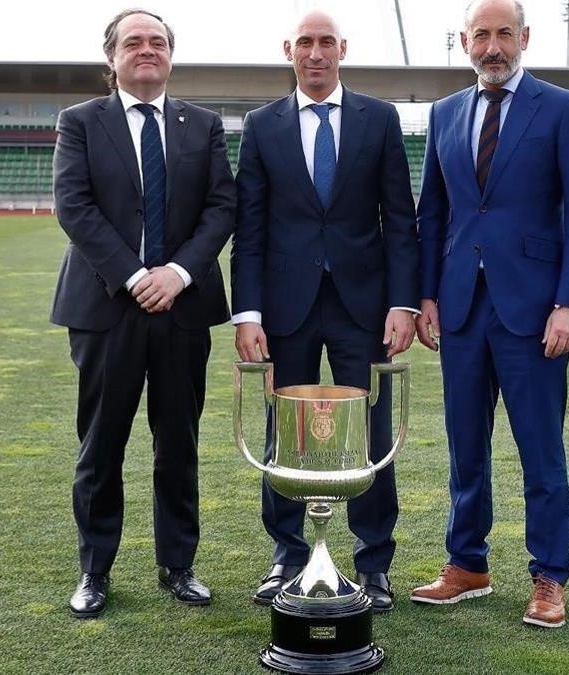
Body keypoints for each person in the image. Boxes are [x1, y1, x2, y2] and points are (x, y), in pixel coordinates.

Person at [408, 0, 569, 629]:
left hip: (535, 310)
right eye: (481, 35)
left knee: (540, 449)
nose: (493, 46)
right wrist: (428, 295)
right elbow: (432, 213)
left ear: (525, 38)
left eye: (504, 34)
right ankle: (466, 565)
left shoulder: (564, 109)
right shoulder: (444, 113)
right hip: (461, 305)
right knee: (466, 447)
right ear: (464, 41)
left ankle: (549, 576)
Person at [230, 10, 420, 613]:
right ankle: (286, 555)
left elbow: (400, 218)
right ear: (289, 49)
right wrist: (248, 314)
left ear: (344, 49)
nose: (316, 53)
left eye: (326, 43)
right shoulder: (261, 127)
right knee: (283, 433)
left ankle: (374, 562)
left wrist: (402, 303)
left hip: (364, 306)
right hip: (284, 307)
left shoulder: (379, 119)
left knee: (371, 431)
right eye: (305, 43)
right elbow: (250, 226)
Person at [50, 8, 236, 618]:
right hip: (108, 308)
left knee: (177, 442)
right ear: (112, 58)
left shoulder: (202, 125)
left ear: (171, 56)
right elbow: (75, 207)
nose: (147, 50)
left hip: (182, 308)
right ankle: (94, 571)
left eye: (158, 42)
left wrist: (177, 274)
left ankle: (178, 565)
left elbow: (220, 208)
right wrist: (135, 276)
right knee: (102, 444)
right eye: (135, 42)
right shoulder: (79, 122)